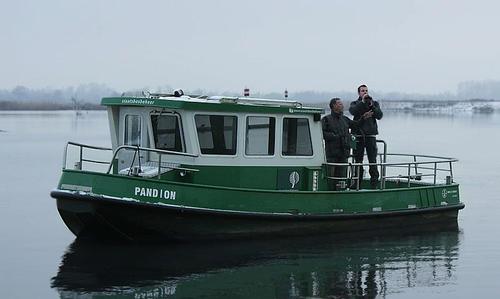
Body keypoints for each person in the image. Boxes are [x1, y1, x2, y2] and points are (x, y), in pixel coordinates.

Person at [349, 84, 383, 189]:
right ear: (359, 93)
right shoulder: (354, 103)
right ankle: (357, 182)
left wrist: (372, 105)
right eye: (363, 91)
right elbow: (353, 111)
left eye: (366, 91)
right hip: (357, 135)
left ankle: (374, 183)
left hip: (370, 135)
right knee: (357, 160)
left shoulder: (374, 103)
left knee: (372, 160)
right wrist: (363, 102)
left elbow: (379, 116)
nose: (365, 93)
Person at [322, 98, 356, 191]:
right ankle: (329, 192)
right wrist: (336, 136)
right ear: (334, 106)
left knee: (342, 177)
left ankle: (341, 191)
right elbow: (322, 133)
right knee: (330, 177)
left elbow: (355, 125)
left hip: (344, 153)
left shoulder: (345, 119)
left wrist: (364, 117)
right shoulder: (326, 119)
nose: (342, 105)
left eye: (342, 104)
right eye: (340, 104)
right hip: (332, 153)